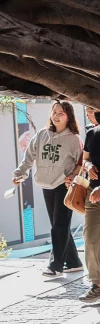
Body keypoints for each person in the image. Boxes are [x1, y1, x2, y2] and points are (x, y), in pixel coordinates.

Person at [12, 101, 83, 278]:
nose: (56, 116)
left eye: (61, 113)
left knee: (59, 225)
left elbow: (81, 163)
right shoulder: (42, 135)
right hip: (46, 184)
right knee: (58, 225)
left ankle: (55, 266)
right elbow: (29, 156)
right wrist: (20, 173)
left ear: (69, 117)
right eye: (54, 112)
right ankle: (73, 262)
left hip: (64, 186)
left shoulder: (73, 139)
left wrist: (73, 175)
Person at [80, 107, 100, 304]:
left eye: (93, 108)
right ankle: (97, 284)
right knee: (91, 238)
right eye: (88, 109)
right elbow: (85, 159)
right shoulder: (92, 133)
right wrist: (88, 166)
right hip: (93, 195)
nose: (90, 113)